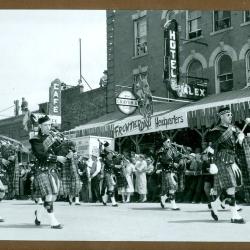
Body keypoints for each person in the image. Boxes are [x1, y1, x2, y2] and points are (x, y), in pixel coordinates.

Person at [207, 106, 245, 224]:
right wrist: (211, 163)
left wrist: (240, 139)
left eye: (231, 115)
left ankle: (215, 203)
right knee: (231, 186)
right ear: (222, 116)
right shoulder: (215, 131)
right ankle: (234, 215)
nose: (230, 116)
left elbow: (236, 147)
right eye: (228, 115)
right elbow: (211, 149)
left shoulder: (234, 129)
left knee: (235, 184)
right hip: (221, 160)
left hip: (232, 160)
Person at [29, 115, 67, 229]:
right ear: (40, 126)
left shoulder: (52, 137)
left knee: (52, 197)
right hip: (41, 170)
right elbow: (41, 155)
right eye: (46, 125)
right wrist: (57, 158)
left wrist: (66, 151)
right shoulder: (35, 140)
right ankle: (53, 221)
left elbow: (58, 151)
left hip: (52, 170)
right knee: (49, 195)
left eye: (50, 124)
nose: (48, 127)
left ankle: (38, 215)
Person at [156, 137, 181, 210]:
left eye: (170, 141)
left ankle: (163, 198)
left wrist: (179, 161)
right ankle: (173, 205)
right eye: (168, 142)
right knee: (172, 187)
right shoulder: (161, 150)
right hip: (166, 171)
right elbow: (163, 161)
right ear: (164, 143)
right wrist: (173, 164)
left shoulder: (173, 149)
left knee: (174, 187)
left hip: (173, 171)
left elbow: (176, 157)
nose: (169, 143)